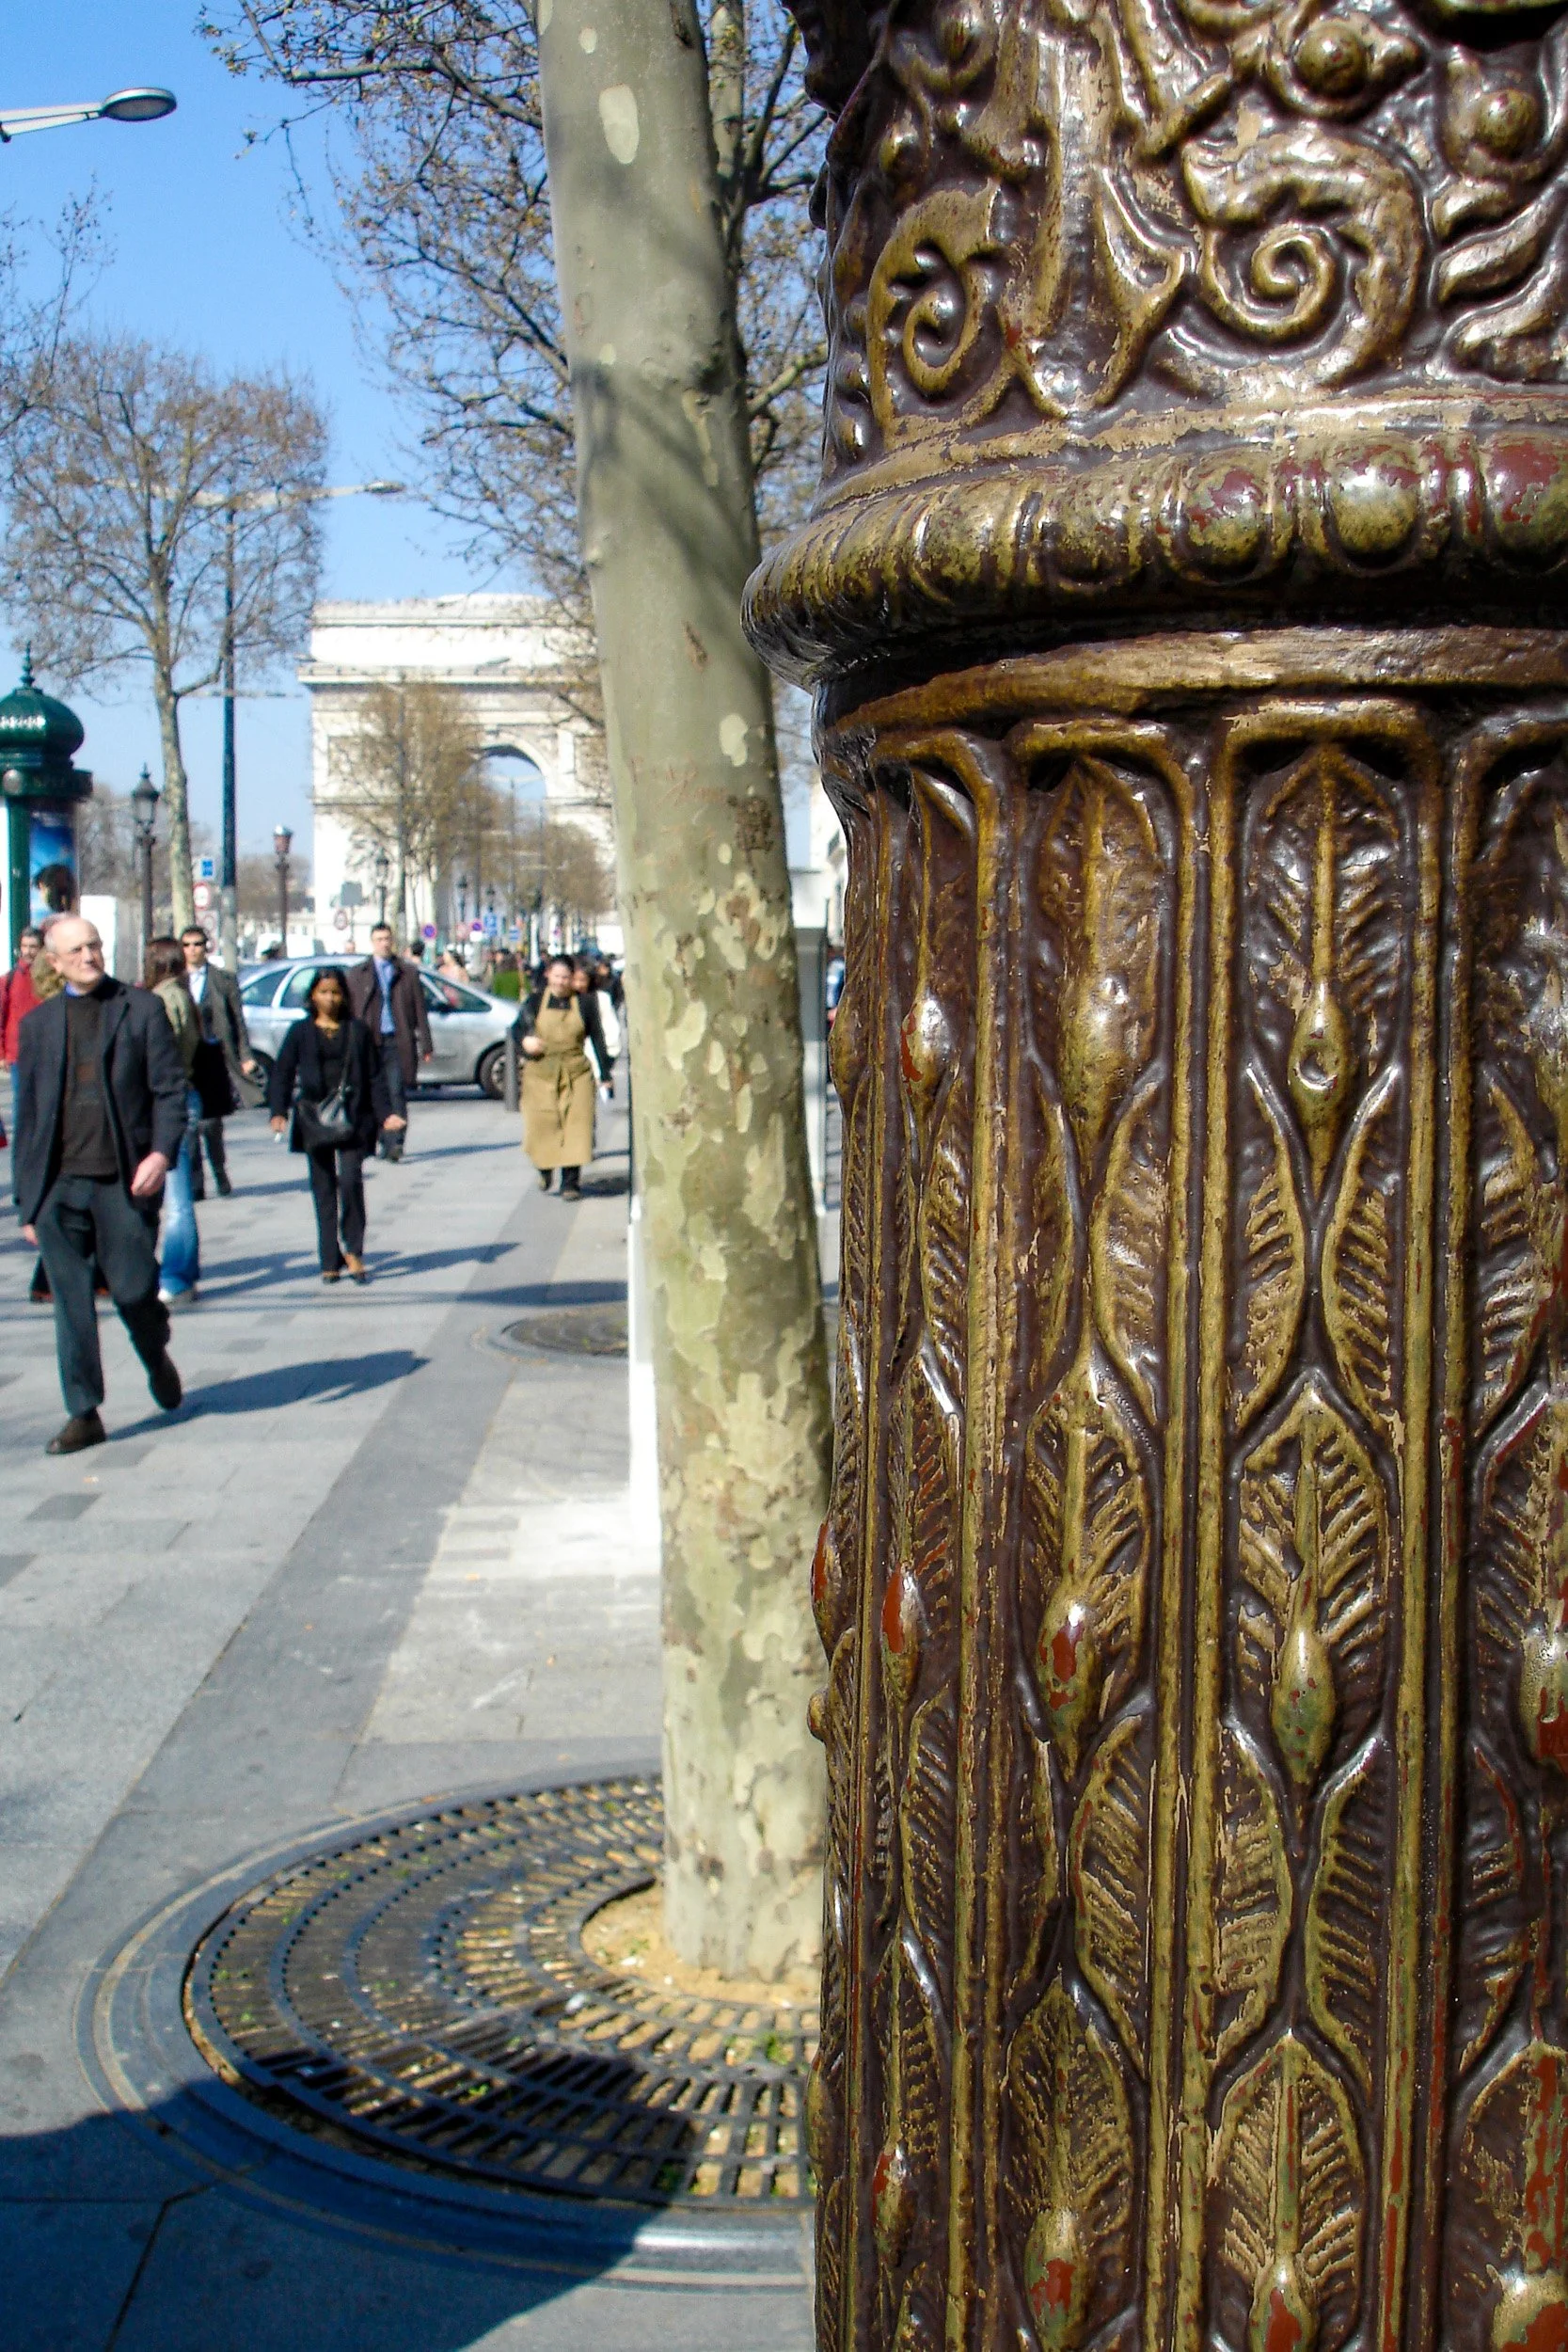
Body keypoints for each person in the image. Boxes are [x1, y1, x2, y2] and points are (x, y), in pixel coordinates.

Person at [10, 914, 185, 1454]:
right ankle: (84, 1413)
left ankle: (154, 1352)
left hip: (123, 1181)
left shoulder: (141, 1009)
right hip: (59, 1187)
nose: (89, 956)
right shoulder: (39, 1026)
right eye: (76, 951)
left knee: (133, 1291)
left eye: (94, 946)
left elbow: (169, 1091)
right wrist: (27, 1204)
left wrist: (160, 1154)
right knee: (71, 1304)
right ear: (55, 962)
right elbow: (29, 1117)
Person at [269, 966, 404, 1281]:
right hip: (314, 1119)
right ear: (313, 996)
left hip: (353, 1118)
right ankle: (329, 1257)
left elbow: (374, 1077)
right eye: (323, 992)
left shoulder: (357, 1031)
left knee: (351, 1181)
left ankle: (354, 1250)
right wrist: (278, 1111)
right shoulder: (300, 1032)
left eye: (335, 993)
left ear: (344, 996)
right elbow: (283, 1072)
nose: (329, 999)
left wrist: (386, 1114)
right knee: (323, 1187)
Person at [518, 952, 610, 1201]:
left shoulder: (585, 1003)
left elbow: (597, 1037)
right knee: (543, 1124)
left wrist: (605, 1073)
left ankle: (570, 1183)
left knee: (576, 1127)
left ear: (572, 979)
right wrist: (526, 1042)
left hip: (576, 1071)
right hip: (541, 1072)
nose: (560, 982)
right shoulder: (534, 1002)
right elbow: (517, 1031)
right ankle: (544, 1167)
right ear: (548, 975)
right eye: (556, 976)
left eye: (565, 978)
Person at [180, 925, 258, 1200]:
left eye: (197, 944)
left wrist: (245, 1055)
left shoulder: (223, 980)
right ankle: (196, 1183)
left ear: (206, 947)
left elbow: (238, 1021)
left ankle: (219, 1171)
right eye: (187, 945)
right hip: (186, 1060)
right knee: (190, 1124)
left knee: (212, 1124)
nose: (192, 950)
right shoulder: (176, 981)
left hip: (214, 1059)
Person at [145, 938, 202, 1307]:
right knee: (178, 1193)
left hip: (171, 1097)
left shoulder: (163, 999)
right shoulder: (182, 995)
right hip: (186, 1093)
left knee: (176, 1197)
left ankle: (176, 1276)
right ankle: (183, 1272)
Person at [346, 923, 432, 1165]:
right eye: (379, 939)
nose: (384, 943)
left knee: (396, 1090)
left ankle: (396, 1143)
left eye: (387, 939)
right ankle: (381, 1139)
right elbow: (351, 1010)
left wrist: (426, 1044)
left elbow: (419, 1009)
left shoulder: (406, 972)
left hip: (396, 1039)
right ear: (372, 942)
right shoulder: (358, 973)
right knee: (373, 1092)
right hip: (369, 1041)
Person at [2, 924, 43, 1124]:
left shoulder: (50, 979)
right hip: (18, 1054)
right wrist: (2, 1053)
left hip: (46, 1052)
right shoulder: (9, 979)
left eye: (33, 947)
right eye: (25, 946)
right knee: (22, 1108)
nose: (28, 951)